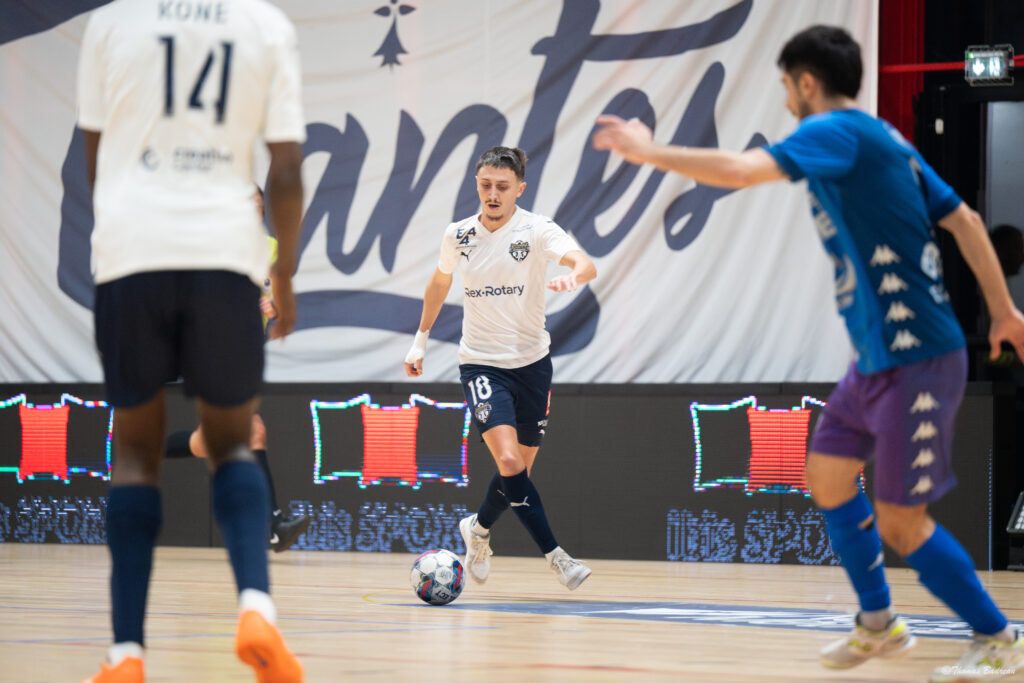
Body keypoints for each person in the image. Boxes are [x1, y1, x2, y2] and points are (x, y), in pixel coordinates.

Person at [593, 24, 1024, 683]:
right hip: (876, 360)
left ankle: (997, 634)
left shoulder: (834, 130)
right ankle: (879, 623)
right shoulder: (887, 139)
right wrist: (1003, 309)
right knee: (825, 477)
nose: (785, 99)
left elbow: (739, 171)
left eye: (786, 86)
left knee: (903, 523)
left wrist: (650, 152)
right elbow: (964, 220)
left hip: (919, 357)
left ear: (806, 82)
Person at [77, 0, 306, 681]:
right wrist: (284, 276)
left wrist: (128, 230)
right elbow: (287, 174)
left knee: (137, 453)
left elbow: (95, 163)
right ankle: (257, 607)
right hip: (224, 255)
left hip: (130, 254)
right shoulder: (264, 24)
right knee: (234, 441)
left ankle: (125, 654)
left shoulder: (110, 23)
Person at [403, 146, 597, 591]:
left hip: (533, 365)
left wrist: (577, 275)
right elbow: (439, 281)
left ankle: (478, 528)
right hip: (481, 365)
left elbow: (584, 262)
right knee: (508, 460)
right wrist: (420, 340)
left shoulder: (537, 229)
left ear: (519, 189)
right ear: (477, 184)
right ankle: (557, 556)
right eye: (486, 185)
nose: (493, 194)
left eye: (502, 187)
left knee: (517, 473)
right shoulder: (459, 235)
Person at [165, 189, 311, 554]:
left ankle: (144, 448)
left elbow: (279, 301)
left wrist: (274, 307)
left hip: (243, 356)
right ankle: (274, 524)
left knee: (214, 440)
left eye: (258, 208)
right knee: (253, 431)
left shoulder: (271, 249)